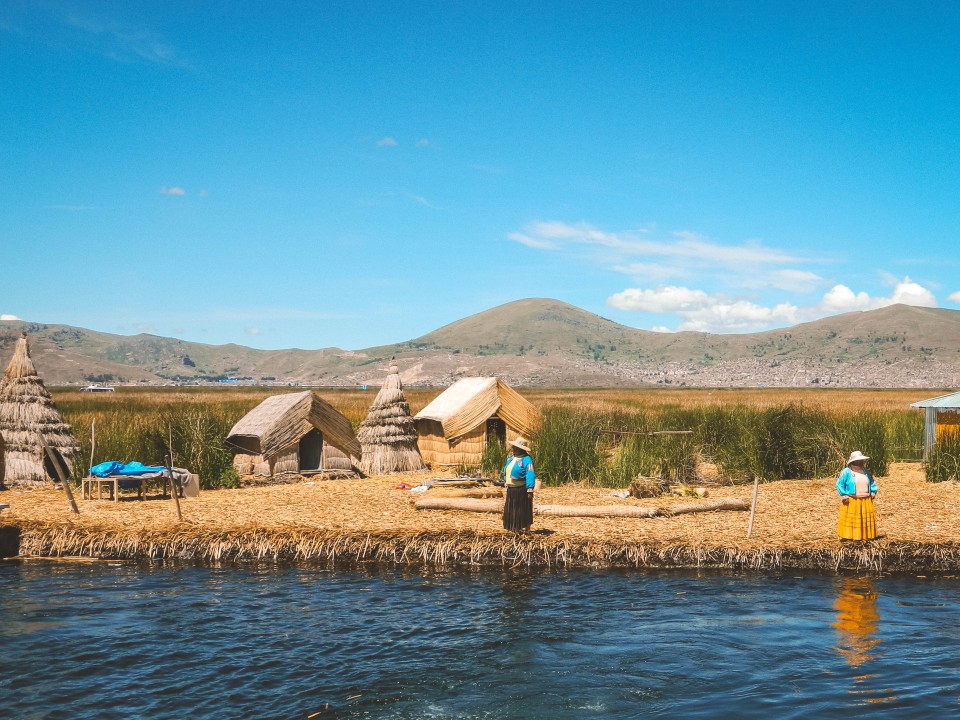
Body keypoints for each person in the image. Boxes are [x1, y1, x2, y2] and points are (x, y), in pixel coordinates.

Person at [836, 450, 878, 541]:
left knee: (864, 518)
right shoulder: (846, 472)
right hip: (852, 500)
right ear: (854, 461)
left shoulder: (865, 471)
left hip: (866, 499)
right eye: (859, 460)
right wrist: (843, 494)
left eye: (862, 460)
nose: (861, 462)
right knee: (852, 518)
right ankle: (849, 536)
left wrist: (873, 491)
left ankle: (865, 535)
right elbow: (839, 484)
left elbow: (871, 482)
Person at [502, 437, 536, 533]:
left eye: (515, 447)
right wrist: (506, 480)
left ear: (521, 449)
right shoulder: (511, 458)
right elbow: (506, 470)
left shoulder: (526, 459)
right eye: (513, 446)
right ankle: (514, 528)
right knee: (512, 509)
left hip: (521, 489)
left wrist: (530, 488)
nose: (513, 448)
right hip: (511, 489)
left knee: (522, 509)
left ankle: (525, 528)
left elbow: (530, 473)